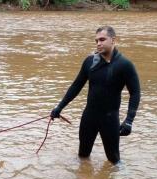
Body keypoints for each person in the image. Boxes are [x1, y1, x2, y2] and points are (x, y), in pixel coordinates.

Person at [50, 26, 141, 164]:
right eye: (96, 40)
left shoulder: (125, 65)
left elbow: (135, 93)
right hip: (89, 117)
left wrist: (129, 120)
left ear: (113, 40)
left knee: (114, 160)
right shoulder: (89, 62)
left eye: (102, 39)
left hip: (110, 119)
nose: (98, 43)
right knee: (83, 156)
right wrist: (59, 107)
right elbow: (76, 86)